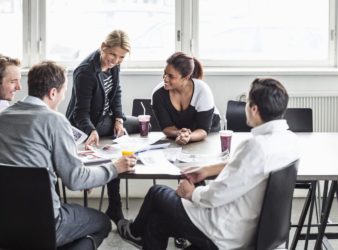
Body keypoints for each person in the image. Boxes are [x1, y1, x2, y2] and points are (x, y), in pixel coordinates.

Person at [117, 78, 300, 250]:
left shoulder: (255, 147)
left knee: (157, 193)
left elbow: (216, 196)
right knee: (157, 222)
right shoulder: (289, 140)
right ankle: (138, 234)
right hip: (253, 229)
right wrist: (209, 169)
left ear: (253, 109)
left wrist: (191, 193)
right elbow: (251, 169)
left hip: (224, 230)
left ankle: (134, 232)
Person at [0, 61, 137, 249]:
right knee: (102, 223)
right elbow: (76, 180)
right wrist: (115, 168)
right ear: (53, 93)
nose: (64, 97)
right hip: (47, 223)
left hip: (5, 222)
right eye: (65, 91)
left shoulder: (3, 116)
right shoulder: (55, 120)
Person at [66, 30, 134, 226]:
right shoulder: (85, 71)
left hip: (107, 119)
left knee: (138, 125)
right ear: (103, 47)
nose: (116, 60)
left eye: (121, 57)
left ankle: (114, 205)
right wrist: (92, 130)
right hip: (86, 124)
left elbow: (116, 92)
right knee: (115, 151)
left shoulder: (114, 66)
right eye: (113, 54)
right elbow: (80, 113)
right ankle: (115, 206)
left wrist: (119, 119)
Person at [152, 52, 220, 145]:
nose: (165, 79)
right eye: (165, 73)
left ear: (186, 77)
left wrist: (188, 137)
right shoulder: (158, 94)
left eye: (171, 76)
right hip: (181, 134)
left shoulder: (203, 91)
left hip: (208, 132)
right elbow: (166, 127)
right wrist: (179, 134)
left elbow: (203, 130)